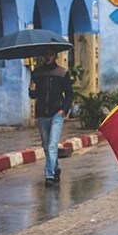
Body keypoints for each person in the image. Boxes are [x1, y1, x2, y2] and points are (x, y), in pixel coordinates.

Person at [29, 47, 73, 187]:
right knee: (46, 145)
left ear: (55, 56)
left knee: (52, 144)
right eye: (46, 54)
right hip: (42, 113)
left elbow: (69, 94)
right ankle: (56, 167)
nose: (48, 57)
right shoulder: (37, 73)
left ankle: (49, 175)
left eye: (51, 54)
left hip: (56, 113)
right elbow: (33, 95)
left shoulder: (62, 73)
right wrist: (32, 89)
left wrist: (63, 110)